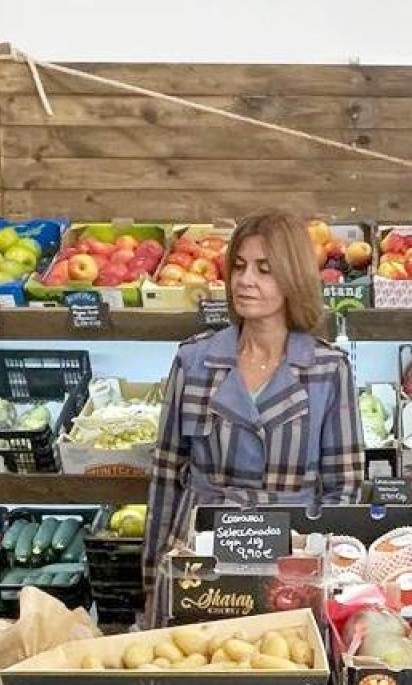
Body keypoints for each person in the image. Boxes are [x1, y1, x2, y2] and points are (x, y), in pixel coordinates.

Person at [143, 210, 364, 605]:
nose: (245, 280)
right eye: (239, 266)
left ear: (293, 278)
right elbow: (166, 474)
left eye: (265, 270)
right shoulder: (194, 361)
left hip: (290, 555)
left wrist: (324, 573)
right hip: (200, 551)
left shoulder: (327, 369)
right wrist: (154, 576)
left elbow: (343, 488)